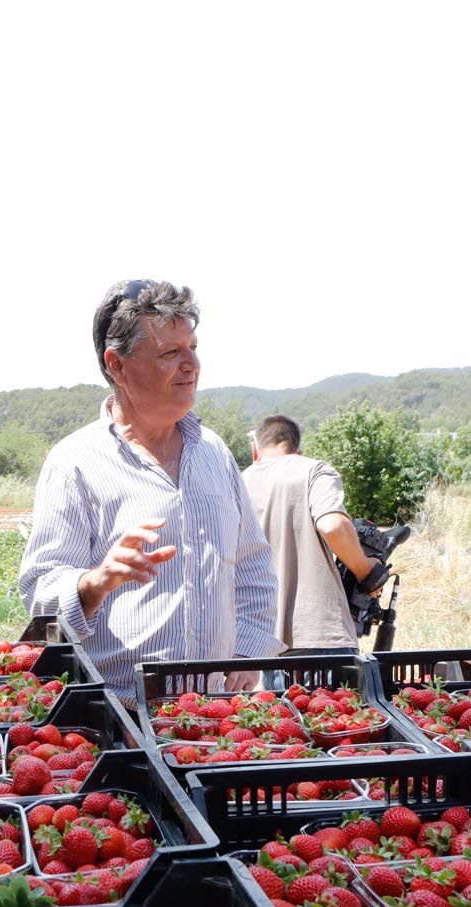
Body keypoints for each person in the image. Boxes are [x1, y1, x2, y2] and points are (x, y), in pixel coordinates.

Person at [18, 279, 278, 696]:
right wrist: (96, 581)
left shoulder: (213, 453)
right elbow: (40, 595)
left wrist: (247, 654)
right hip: (120, 717)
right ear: (117, 365)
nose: (191, 364)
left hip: (217, 715)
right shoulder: (75, 463)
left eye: (192, 347)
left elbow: (252, 567)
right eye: (170, 353)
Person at [242, 413, 378, 651]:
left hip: (254, 638)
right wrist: (367, 571)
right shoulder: (313, 470)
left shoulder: (239, 480)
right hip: (316, 635)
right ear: (298, 451)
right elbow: (333, 525)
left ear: (255, 450)